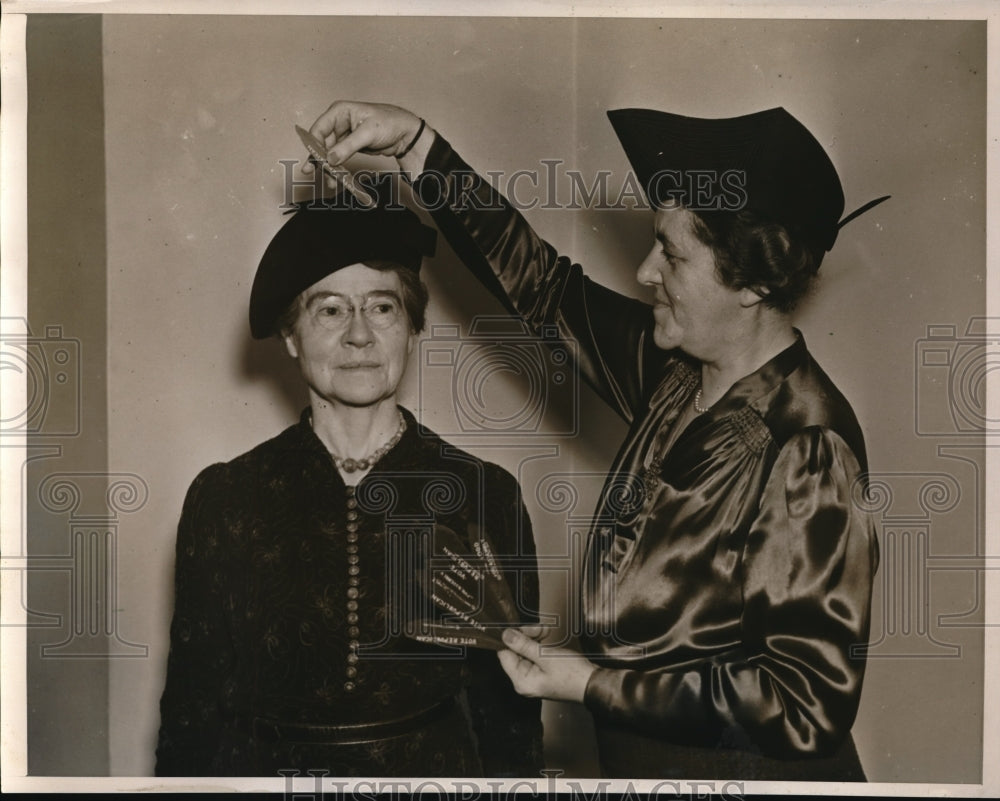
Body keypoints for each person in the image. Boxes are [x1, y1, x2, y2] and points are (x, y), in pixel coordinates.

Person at [300, 100, 884, 781]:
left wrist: (589, 684)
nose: (644, 270)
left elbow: (804, 704)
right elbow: (544, 288)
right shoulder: (673, 371)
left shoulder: (808, 445)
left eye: (671, 251)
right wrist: (421, 148)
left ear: (752, 280)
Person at [155, 197, 544, 777]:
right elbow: (189, 705)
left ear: (412, 329)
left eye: (382, 308)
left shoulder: (482, 494)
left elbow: (511, 718)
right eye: (330, 311)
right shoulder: (226, 497)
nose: (359, 335)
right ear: (291, 337)